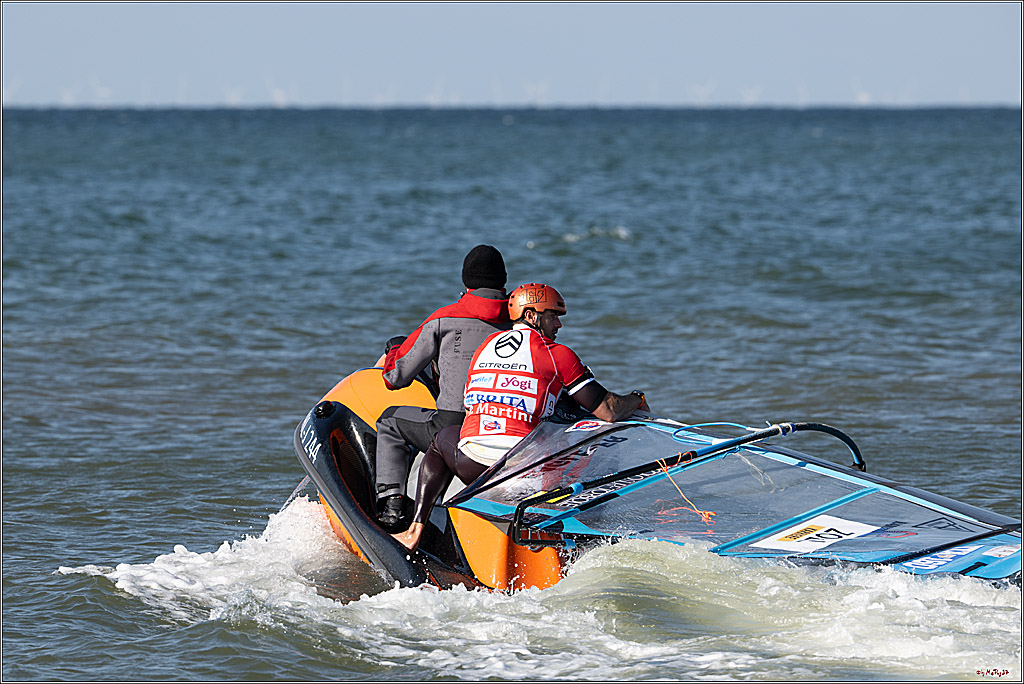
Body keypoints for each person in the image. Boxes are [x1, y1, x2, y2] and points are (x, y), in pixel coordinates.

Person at [393, 282, 649, 550]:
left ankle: (416, 529)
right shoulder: (558, 355)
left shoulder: (485, 346)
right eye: (552, 317)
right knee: (591, 443)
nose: (558, 326)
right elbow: (608, 410)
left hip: (472, 467)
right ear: (530, 316)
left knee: (442, 438)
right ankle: (577, 532)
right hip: (522, 473)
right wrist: (636, 398)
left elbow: (471, 405)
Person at [374, 245, 512, 531]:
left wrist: (395, 349)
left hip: (452, 425)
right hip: (505, 429)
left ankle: (391, 506)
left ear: (465, 284)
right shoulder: (520, 321)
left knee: (389, 421)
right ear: (503, 282)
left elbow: (394, 378)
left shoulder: (443, 319)